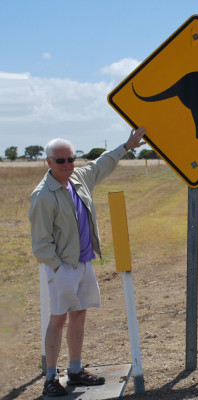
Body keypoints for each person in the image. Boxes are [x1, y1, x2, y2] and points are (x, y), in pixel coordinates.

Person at [29, 127, 146, 397]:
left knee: (79, 315)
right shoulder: (43, 195)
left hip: (84, 262)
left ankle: (75, 370)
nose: (68, 164)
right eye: (61, 161)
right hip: (63, 268)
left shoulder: (79, 178)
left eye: (71, 159)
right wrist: (58, 269)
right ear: (49, 162)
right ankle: (50, 378)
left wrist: (126, 146)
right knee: (57, 319)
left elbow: (101, 163)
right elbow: (40, 242)